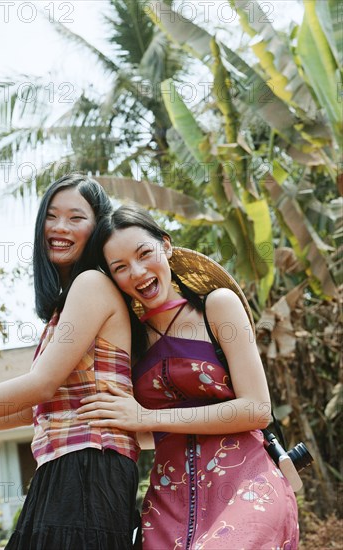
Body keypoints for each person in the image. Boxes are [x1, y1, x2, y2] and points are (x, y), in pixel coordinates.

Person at [76, 205, 299, 550]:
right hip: (166, 503)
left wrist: (146, 417)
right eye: (120, 268)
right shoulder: (130, 343)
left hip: (247, 485)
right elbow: (149, 434)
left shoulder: (217, 307)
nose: (137, 272)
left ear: (165, 246)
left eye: (144, 253)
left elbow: (257, 409)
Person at [0, 175, 140, 549]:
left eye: (76, 217)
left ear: (98, 228)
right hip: (68, 467)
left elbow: (40, 385)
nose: (60, 227)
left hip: (89, 467)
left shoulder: (92, 284)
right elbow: (33, 408)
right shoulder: (66, 307)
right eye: (51, 215)